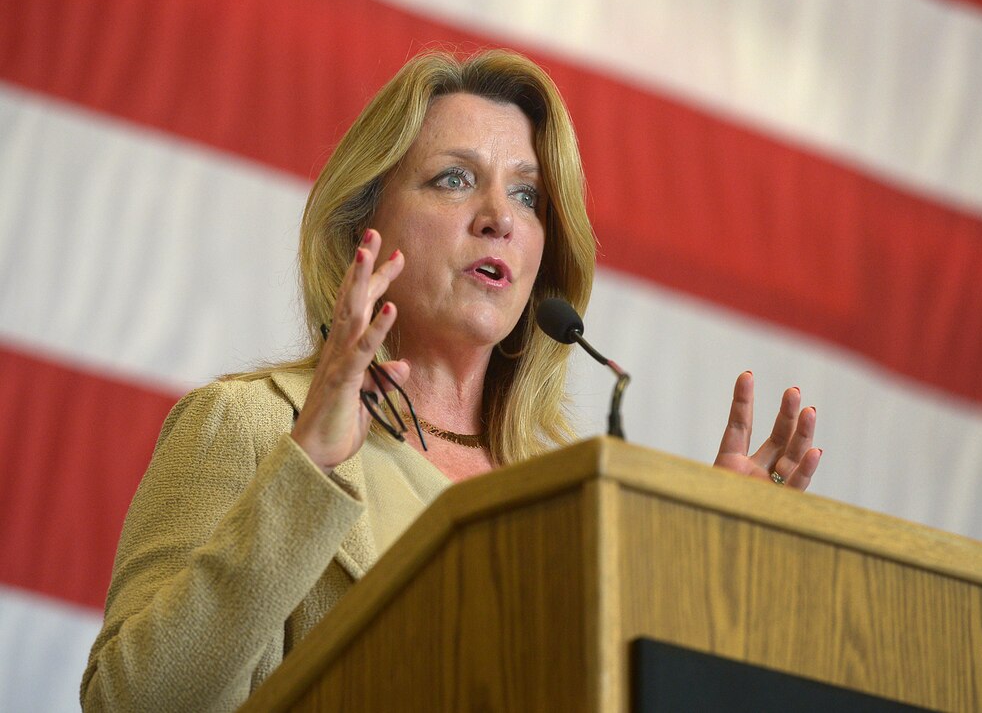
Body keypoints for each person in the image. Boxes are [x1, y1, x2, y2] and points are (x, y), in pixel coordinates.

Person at [80, 48, 820, 711]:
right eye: (454, 179)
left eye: (527, 195)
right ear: (363, 228)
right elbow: (132, 703)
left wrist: (701, 575)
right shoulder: (250, 426)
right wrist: (305, 469)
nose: (499, 215)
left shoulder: (565, 491)